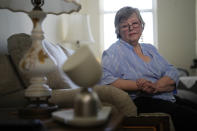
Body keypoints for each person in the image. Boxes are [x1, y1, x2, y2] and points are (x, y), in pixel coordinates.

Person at [99, 6, 197, 131]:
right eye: (125, 26)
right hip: (142, 101)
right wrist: (138, 85)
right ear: (118, 30)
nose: (131, 28)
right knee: (192, 117)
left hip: (163, 96)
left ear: (142, 25)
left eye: (135, 23)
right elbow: (107, 81)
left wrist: (157, 86)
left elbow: (171, 70)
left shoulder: (150, 49)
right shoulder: (113, 52)